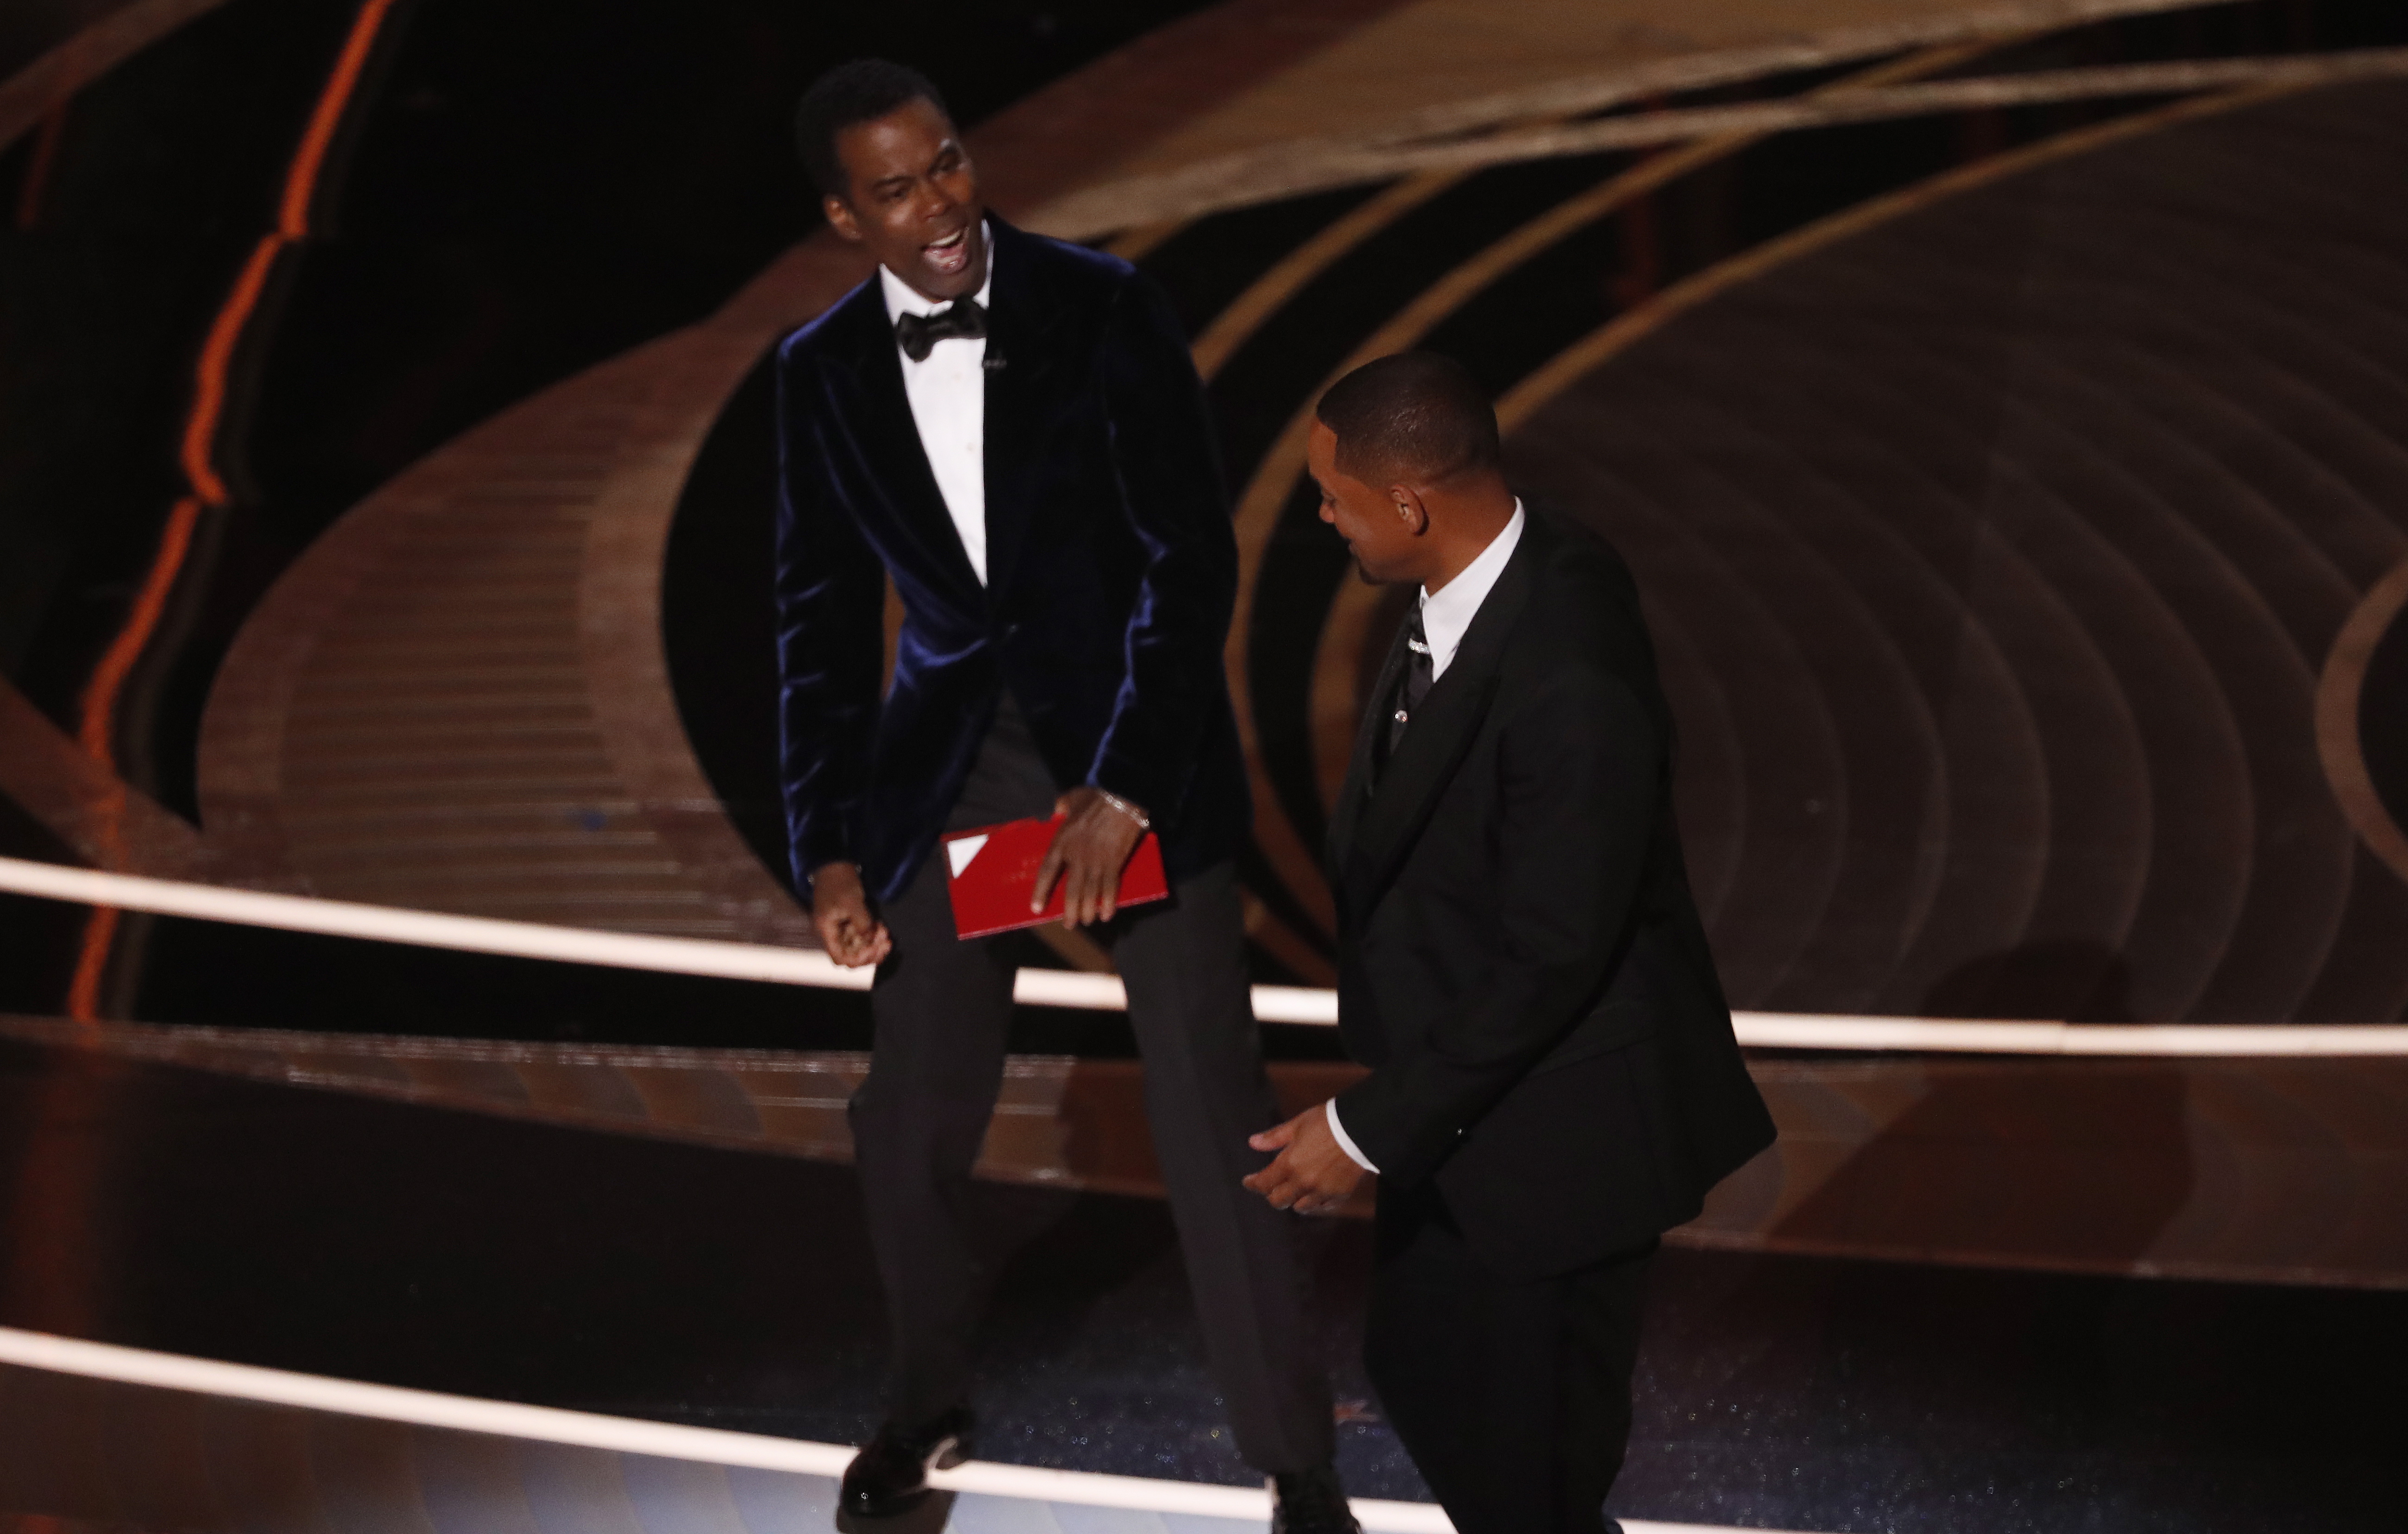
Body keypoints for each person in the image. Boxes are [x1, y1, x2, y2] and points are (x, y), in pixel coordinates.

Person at [773, 59, 1358, 1534]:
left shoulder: (1102, 306)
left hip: (1127, 756)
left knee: (1212, 1106)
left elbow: (1189, 562)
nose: (943, 204)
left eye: (950, 165)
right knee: (907, 1121)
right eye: (898, 190)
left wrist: (1129, 784)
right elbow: (818, 625)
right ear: (848, 216)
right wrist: (830, 850)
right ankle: (921, 1407)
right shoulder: (820, 372)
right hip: (958, 777)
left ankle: (1298, 1466)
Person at [1243, 353, 1777, 1534]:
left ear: (1409, 507)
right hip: (1468, 1111)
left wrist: (1361, 1127)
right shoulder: (1514, 566)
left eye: (1334, 498)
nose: (1323, 518)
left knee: (1526, 1472)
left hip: (1560, 1141)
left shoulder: (1567, 671)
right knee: (1432, 1379)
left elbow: (1555, 953)